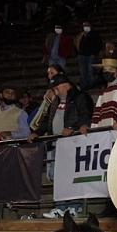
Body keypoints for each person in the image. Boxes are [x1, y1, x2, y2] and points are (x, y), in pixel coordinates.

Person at [28, 74, 93, 218]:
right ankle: (60, 206)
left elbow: (86, 114)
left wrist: (73, 127)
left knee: (72, 175)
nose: (55, 92)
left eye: (57, 89)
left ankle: (73, 206)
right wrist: (37, 132)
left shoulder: (80, 96)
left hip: (73, 142)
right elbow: (47, 120)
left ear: (66, 85)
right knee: (58, 176)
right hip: (57, 143)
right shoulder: (56, 100)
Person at [75, 20, 103, 91]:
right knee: (83, 72)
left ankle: (93, 86)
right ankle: (84, 87)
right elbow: (76, 44)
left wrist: (94, 53)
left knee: (91, 72)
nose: (85, 27)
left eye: (87, 25)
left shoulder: (95, 34)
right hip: (82, 56)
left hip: (91, 56)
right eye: (84, 25)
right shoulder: (81, 35)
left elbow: (99, 45)